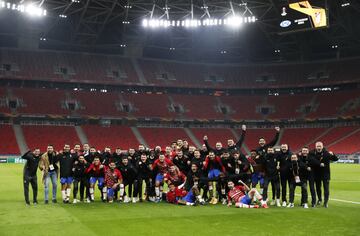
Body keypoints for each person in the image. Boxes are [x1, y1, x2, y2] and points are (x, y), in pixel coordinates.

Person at [310, 142, 338, 208]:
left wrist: (333, 154)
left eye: (320, 146)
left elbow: (335, 159)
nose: (319, 148)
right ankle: (319, 199)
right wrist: (319, 163)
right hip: (316, 174)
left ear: (322, 146)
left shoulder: (326, 153)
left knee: (326, 188)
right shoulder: (312, 153)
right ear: (315, 146)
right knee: (318, 188)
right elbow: (311, 160)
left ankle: (325, 202)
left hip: (326, 174)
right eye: (317, 146)